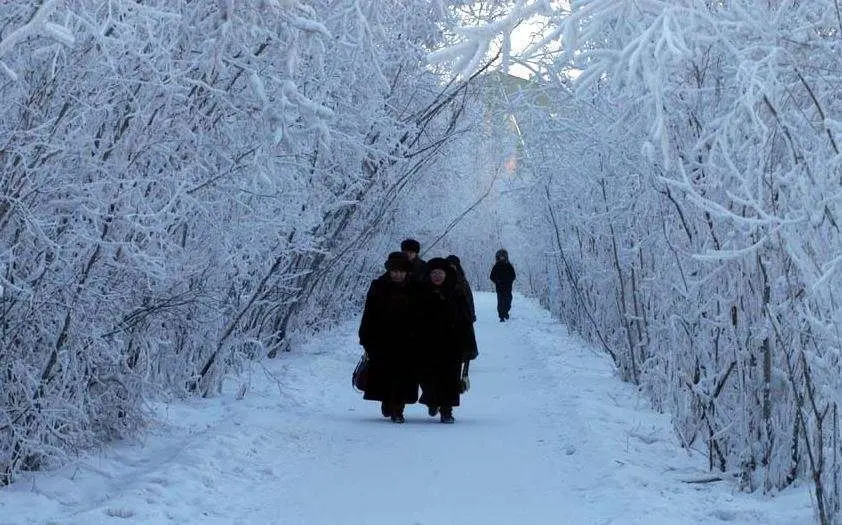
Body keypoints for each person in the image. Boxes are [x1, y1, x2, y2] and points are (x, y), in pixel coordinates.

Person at [358, 252, 420, 423]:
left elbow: (423, 314)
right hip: (382, 339)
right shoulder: (378, 286)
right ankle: (387, 401)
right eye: (394, 271)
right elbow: (369, 313)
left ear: (406, 272)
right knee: (385, 373)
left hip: (408, 340)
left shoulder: (416, 288)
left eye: (401, 271)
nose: (397, 274)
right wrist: (365, 336)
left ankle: (398, 408)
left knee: (403, 375)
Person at [417, 257, 475, 424]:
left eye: (440, 273)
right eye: (433, 273)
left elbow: (466, 320)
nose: (436, 276)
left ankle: (446, 410)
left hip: (451, 343)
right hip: (426, 343)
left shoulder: (456, 292)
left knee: (449, 378)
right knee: (427, 377)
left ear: (446, 274)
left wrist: (468, 345)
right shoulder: (421, 292)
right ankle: (432, 401)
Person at [489, 248, 516, 322]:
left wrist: (510, 281)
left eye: (503, 256)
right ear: (498, 257)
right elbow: (491, 276)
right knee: (500, 301)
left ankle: (506, 312)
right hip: (500, 287)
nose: (502, 258)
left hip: (508, 287)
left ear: (506, 257)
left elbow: (513, 275)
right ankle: (501, 316)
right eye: (500, 256)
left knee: (508, 300)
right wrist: (497, 281)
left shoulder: (509, 266)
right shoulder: (496, 266)